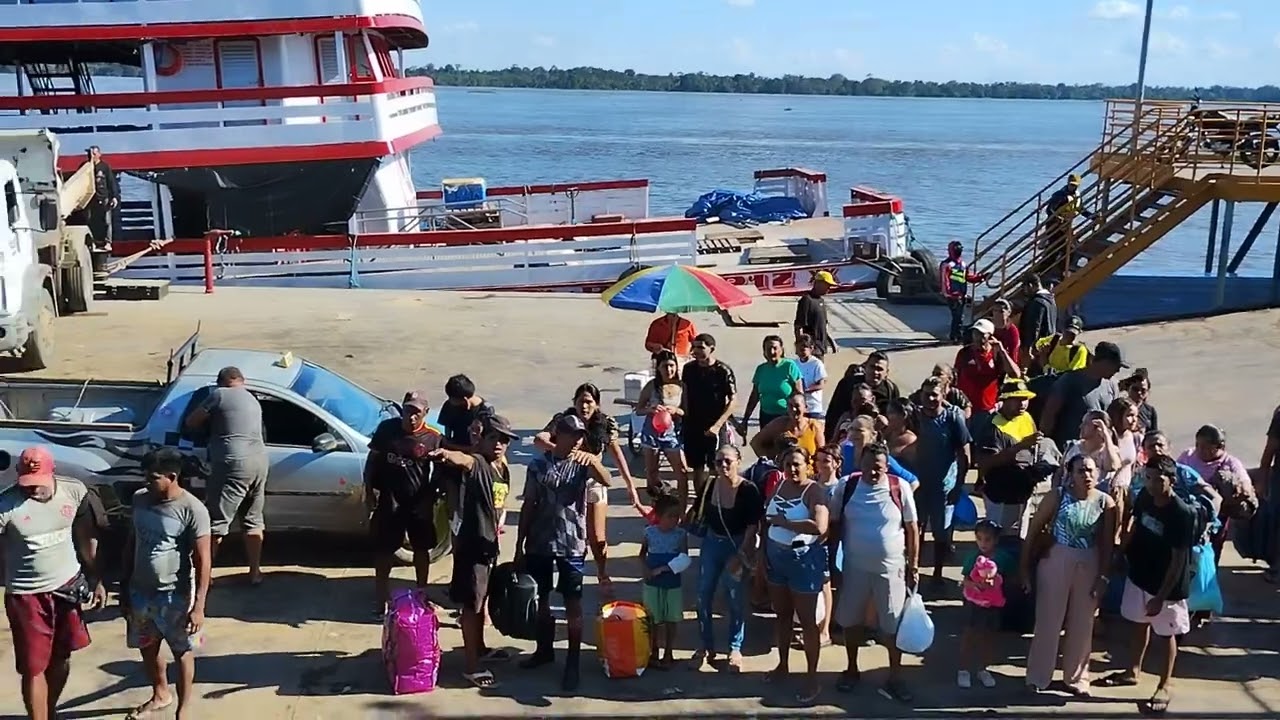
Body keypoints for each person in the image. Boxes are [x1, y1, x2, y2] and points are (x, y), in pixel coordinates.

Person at [0, 447, 105, 720]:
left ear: (53, 472)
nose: (33, 490)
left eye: (38, 483)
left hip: (67, 587)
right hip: (27, 596)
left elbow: (86, 540)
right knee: (34, 667)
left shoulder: (74, 491)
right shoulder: (5, 506)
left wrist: (96, 578)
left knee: (61, 657)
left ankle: (50, 710)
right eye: (27, 483)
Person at [516, 414, 613, 691]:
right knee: (542, 600)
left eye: (580, 435)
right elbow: (529, 504)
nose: (577, 440)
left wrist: (593, 460)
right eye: (572, 434)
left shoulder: (582, 465)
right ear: (559, 434)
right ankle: (544, 649)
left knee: (573, 603)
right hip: (540, 541)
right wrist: (519, 542)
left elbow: (606, 481)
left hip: (572, 543)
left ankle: (572, 662)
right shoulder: (537, 465)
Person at [428, 414, 519, 689]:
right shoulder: (477, 463)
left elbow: (499, 502)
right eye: (494, 438)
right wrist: (445, 453)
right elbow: (463, 460)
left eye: (504, 440)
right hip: (472, 546)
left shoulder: (501, 468)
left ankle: (479, 648)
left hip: (488, 546)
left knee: (481, 603)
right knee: (471, 607)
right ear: (482, 439)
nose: (499, 444)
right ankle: (471, 667)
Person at [121, 448, 212, 719]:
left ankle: (183, 710)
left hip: (175, 595)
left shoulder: (192, 509)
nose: (147, 483)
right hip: (140, 592)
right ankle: (160, 693)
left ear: (172, 477)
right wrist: (124, 586)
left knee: (182, 651)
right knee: (147, 646)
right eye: (145, 477)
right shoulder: (139, 499)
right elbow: (131, 542)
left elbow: (203, 560)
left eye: (153, 478)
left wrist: (199, 607)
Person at [1102, 455, 1197, 714]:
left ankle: (1164, 684)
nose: (1153, 484)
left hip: (1166, 584)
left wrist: (1161, 596)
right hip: (1139, 573)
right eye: (1149, 477)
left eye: (1159, 479)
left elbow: (1179, 559)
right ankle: (1133, 670)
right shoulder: (1144, 496)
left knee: (1166, 633)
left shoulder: (1182, 514)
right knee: (1138, 622)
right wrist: (1121, 553)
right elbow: (1134, 525)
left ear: (1172, 481)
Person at [1020, 454, 1117, 695]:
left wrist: (1103, 576)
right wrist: (1023, 568)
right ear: (1070, 474)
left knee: (1083, 623)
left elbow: (1107, 543)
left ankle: (1076, 679)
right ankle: (1038, 676)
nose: (1087, 476)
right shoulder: (1058, 496)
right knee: (1048, 621)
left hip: (1089, 562)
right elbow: (1033, 531)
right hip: (1056, 560)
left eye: (1092, 470)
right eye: (1081, 471)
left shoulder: (1106, 502)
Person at [830, 442, 919, 703]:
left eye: (878, 467)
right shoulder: (845, 487)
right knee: (850, 621)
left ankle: (895, 676)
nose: (872, 472)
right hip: (854, 568)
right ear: (860, 464)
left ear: (887, 466)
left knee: (891, 625)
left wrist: (913, 565)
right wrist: (832, 565)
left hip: (892, 570)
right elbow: (834, 526)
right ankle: (851, 669)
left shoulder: (899, 487)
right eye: (868, 466)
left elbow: (912, 528)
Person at [534, 383, 641, 595]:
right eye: (581, 401)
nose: (584, 406)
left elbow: (617, 453)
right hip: (567, 483)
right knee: (573, 533)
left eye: (589, 402)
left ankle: (602, 572)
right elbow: (540, 439)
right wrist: (562, 450)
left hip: (594, 483)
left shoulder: (606, 424)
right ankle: (574, 572)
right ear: (574, 402)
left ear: (597, 405)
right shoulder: (563, 421)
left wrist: (630, 485)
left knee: (596, 536)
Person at [183, 365, 270, 585]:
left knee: (216, 523)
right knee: (253, 521)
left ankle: (205, 576)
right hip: (260, 462)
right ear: (242, 380)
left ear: (221, 381)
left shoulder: (219, 395)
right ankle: (255, 573)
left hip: (233, 464)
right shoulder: (252, 398)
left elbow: (191, 422)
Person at [762, 446, 829, 705]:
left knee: (808, 623)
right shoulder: (780, 485)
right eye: (788, 463)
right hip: (775, 559)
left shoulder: (814, 491)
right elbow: (767, 519)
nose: (793, 468)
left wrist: (785, 523)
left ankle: (812, 678)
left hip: (802, 561)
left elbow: (820, 527)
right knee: (782, 617)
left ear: (808, 465)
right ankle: (783, 665)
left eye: (797, 464)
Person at [364, 391, 442, 616]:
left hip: (418, 504)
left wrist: (433, 497)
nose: (412, 416)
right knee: (384, 550)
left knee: (421, 549)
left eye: (417, 412)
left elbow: (440, 471)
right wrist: (369, 490)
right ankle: (381, 598)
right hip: (390, 501)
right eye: (408, 410)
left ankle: (421, 594)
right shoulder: (387, 430)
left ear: (425, 413)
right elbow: (373, 460)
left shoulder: (433, 437)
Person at [693, 445, 762, 671]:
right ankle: (706, 645)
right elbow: (697, 511)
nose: (723, 465)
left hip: (737, 543)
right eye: (718, 461)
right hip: (712, 543)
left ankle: (734, 647)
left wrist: (741, 555)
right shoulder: (710, 484)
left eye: (728, 461)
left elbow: (753, 527)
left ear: (738, 462)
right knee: (703, 595)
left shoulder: (749, 490)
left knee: (735, 598)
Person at [975, 379, 1061, 538]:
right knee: (999, 538)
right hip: (1001, 494)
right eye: (1017, 399)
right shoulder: (993, 426)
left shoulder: (1026, 417)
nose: (1023, 404)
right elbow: (987, 462)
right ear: (1005, 400)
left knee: (1019, 537)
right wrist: (1020, 446)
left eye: (1025, 399)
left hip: (1023, 490)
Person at [910, 379, 972, 582]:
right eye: (926, 393)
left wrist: (959, 486)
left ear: (943, 395)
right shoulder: (915, 416)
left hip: (944, 486)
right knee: (916, 527)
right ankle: (914, 569)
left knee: (940, 533)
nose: (929, 399)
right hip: (919, 484)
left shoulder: (954, 417)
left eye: (934, 394)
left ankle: (937, 574)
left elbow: (964, 454)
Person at [956, 519, 1014, 689]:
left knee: (988, 637)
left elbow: (1009, 578)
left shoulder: (1002, 558)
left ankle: (983, 669)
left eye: (987, 539)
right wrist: (974, 585)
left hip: (993, 605)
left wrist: (998, 581)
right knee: (969, 635)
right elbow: (965, 579)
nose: (983, 543)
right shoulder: (973, 558)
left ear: (996, 540)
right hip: (973, 603)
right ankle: (963, 669)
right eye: (979, 538)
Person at [1039, 341, 1127, 449]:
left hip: (1101, 451)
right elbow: (1049, 414)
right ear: (1103, 362)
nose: (1118, 370)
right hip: (1072, 450)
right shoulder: (1069, 381)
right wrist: (1046, 444)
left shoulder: (1112, 385)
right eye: (1116, 365)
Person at [680, 333, 737, 494]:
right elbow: (684, 394)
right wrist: (683, 417)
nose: (696, 351)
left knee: (716, 466)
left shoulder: (723, 371)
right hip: (693, 424)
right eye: (694, 347)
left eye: (701, 347)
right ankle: (700, 501)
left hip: (714, 425)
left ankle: (716, 497)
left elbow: (733, 401)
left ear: (711, 349)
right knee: (697, 467)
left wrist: (718, 425)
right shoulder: (688, 369)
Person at [638, 489, 688, 670]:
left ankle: (669, 651)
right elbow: (642, 554)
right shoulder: (649, 533)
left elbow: (684, 558)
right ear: (659, 516)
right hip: (652, 583)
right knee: (653, 618)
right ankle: (654, 650)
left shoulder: (680, 535)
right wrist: (645, 569)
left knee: (671, 618)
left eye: (677, 516)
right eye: (670, 516)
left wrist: (665, 569)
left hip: (672, 583)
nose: (674, 520)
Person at [437, 374, 496, 518]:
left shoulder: (486, 413)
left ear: (465, 401)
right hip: (452, 468)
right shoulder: (449, 406)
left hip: (475, 468)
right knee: (454, 510)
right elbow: (447, 433)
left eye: (454, 401)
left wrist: (450, 446)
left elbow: (481, 448)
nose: (451, 403)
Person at [636, 350, 691, 503]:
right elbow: (639, 409)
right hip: (651, 432)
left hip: (672, 433)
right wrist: (650, 410)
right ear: (658, 368)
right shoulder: (651, 386)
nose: (669, 370)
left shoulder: (682, 386)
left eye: (672, 366)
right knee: (652, 472)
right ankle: (657, 504)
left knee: (681, 471)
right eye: (665, 366)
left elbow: (686, 411)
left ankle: (682, 504)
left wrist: (676, 410)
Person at [954, 319, 1020, 431]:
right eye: (975, 333)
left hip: (986, 409)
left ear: (990, 336)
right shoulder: (964, 353)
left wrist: (1002, 351)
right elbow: (955, 376)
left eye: (981, 334)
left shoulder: (996, 354)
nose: (977, 337)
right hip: (964, 408)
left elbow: (1015, 374)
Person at [739, 335, 804, 434]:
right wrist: (745, 419)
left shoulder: (790, 366)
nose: (772, 352)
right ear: (764, 352)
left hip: (786, 417)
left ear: (781, 350)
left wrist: (799, 418)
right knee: (766, 447)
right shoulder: (761, 369)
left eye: (775, 348)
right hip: (766, 416)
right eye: (768, 349)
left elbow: (799, 394)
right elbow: (755, 395)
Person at [751, 392, 822, 469]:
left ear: (805, 407)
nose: (794, 409)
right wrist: (772, 455)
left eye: (797, 406)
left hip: (808, 474)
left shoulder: (814, 426)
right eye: (790, 406)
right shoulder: (779, 424)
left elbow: (821, 454)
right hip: (784, 473)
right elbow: (755, 443)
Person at [940, 240, 983, 344]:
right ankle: (955, 336)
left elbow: (968, 276)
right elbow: (944, 281)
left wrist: (981, 277)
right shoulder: (947, 265)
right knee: (958, 316)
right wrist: (949, 294)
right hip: (953, 295)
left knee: (959, 316)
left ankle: (955, 335)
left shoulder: (963, 264)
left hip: (961, 294)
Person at [793, 270, 838, 356]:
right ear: (818, 283)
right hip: (811, 350)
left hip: (821, 349)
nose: (829, 288)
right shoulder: (806, 300)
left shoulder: (821, 301)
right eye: (827, 285)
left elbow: (823, 326)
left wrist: (832, 343)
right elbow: (798, 327)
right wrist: (801, 348)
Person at [85, 145, 120, 253]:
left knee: (106, 221)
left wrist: (114, 197)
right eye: (89, 154)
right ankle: (94, 242)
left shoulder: (104, 167)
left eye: (94, 154)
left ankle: (108, 242)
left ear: (99, 154)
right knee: (91, 221)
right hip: (91, 199)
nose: (91, 156)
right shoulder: (85, 167)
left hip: (104, 197)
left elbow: (111, 182)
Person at [793, 336, 828, 436]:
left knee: (813, 434)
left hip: (813, 408)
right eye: (799, 348)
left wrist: (805, 390)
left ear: (811, 348)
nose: (801, 350)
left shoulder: (816, 364)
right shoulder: (794, 364)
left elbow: (821, 384)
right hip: (798, 408)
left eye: (804, 348)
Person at [1016, 274, 1058, 359]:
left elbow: (1033, 327)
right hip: (1049, 344)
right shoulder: (1051, 300)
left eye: (1024, 287)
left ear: (1030, 286)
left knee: (1035, 371)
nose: (1024, 291)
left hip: (1038, 349)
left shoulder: (1036, 303)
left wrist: (1028, 348)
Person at [1119, 368, 1159, 433]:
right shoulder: (1119, 408)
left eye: (1143, 390)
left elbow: (1154, 434)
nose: (1139, 393)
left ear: (1147, 392)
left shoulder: (1150, 411)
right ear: (1128, 389)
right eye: (1135, 389)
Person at [989, 299, 1021, 365]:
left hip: (1005, 361)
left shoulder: (1012, 330)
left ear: (1008, 313)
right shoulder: (988, 326)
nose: (997, 314)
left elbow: (1013, 352)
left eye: (1001, 311)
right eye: (995, 310)